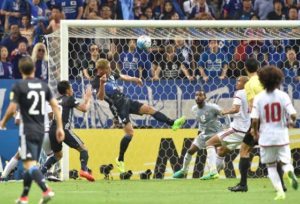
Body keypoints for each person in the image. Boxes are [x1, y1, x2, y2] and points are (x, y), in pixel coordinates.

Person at [93, 58, 186, 173]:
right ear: (101, 70)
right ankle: (120, 159)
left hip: (127, 101)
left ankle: (172, 123)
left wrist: (134, 79)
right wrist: (102, 84)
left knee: (149, 109)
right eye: (107, 68)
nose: (110, 70)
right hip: (118, 107)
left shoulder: (111, 75)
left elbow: (122, 76)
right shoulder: (96, 81)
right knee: (130, 133)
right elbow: (100, 97)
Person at [0, 56, 64, 204]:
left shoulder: (19, 86)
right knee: (30, 162)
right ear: (34, 70)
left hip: (27, 130)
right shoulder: (44, 86)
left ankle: (46, 190)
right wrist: (59, 127)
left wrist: (3, 122)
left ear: (21, 70)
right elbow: (55, 106)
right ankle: (24, 197)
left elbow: (12, 108)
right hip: (41, 130)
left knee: (29, 165)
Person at [228, 58, 286, 192]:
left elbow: (254, 106)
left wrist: (254, 128)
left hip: (260, 119)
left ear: (245, 69)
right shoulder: (264, 79)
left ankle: (243, 185)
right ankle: (281, 185)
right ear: (258, 67)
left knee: (244, 149)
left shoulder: (249, 84)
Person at [251, 66, 298, 200]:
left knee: (271, 166)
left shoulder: (259, 98)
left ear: (262, 80)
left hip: (266, 137)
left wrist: (255, 132)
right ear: (278, 79)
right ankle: (289, 172)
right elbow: (293, 114)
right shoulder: (283, 95)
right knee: (286, 161)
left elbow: (255, 119)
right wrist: (290, 122)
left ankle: (279, 191)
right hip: (281, 135)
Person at [41, 80, 95, 182]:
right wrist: (87, 99)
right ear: (67, 90)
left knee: (58, 155)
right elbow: (84, 109)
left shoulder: (56, 100)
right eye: (71, 88)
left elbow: (51, 115)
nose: (72, 89)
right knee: (83, 149)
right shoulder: (69, 99)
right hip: (63, 129)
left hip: (52, 130)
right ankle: (84, 170)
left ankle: (41, 172)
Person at [200, 76, 250, 180]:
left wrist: (224, 112)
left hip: (237, 130)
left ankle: (213, 171)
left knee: (209, 143)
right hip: (247, 131)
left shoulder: (239, 93)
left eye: (239, 81)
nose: (237, 82)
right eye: (237, 80)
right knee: (222, 150)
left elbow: (235, 109)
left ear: (245, 83)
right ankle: (215, 173)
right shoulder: (251, 94)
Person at [173, 90, 228, 179]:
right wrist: (180, 122)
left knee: (215, 150)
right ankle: (183, 170)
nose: (198, 97)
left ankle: (214, 171)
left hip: (217, 133)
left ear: (205, 97)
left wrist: (227, 128)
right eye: (196, 95)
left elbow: (225, 114)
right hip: (204, 134)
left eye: (201, 95)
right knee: (190, 151)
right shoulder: (194, 109)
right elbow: (200, 121)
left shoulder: (212, 107)